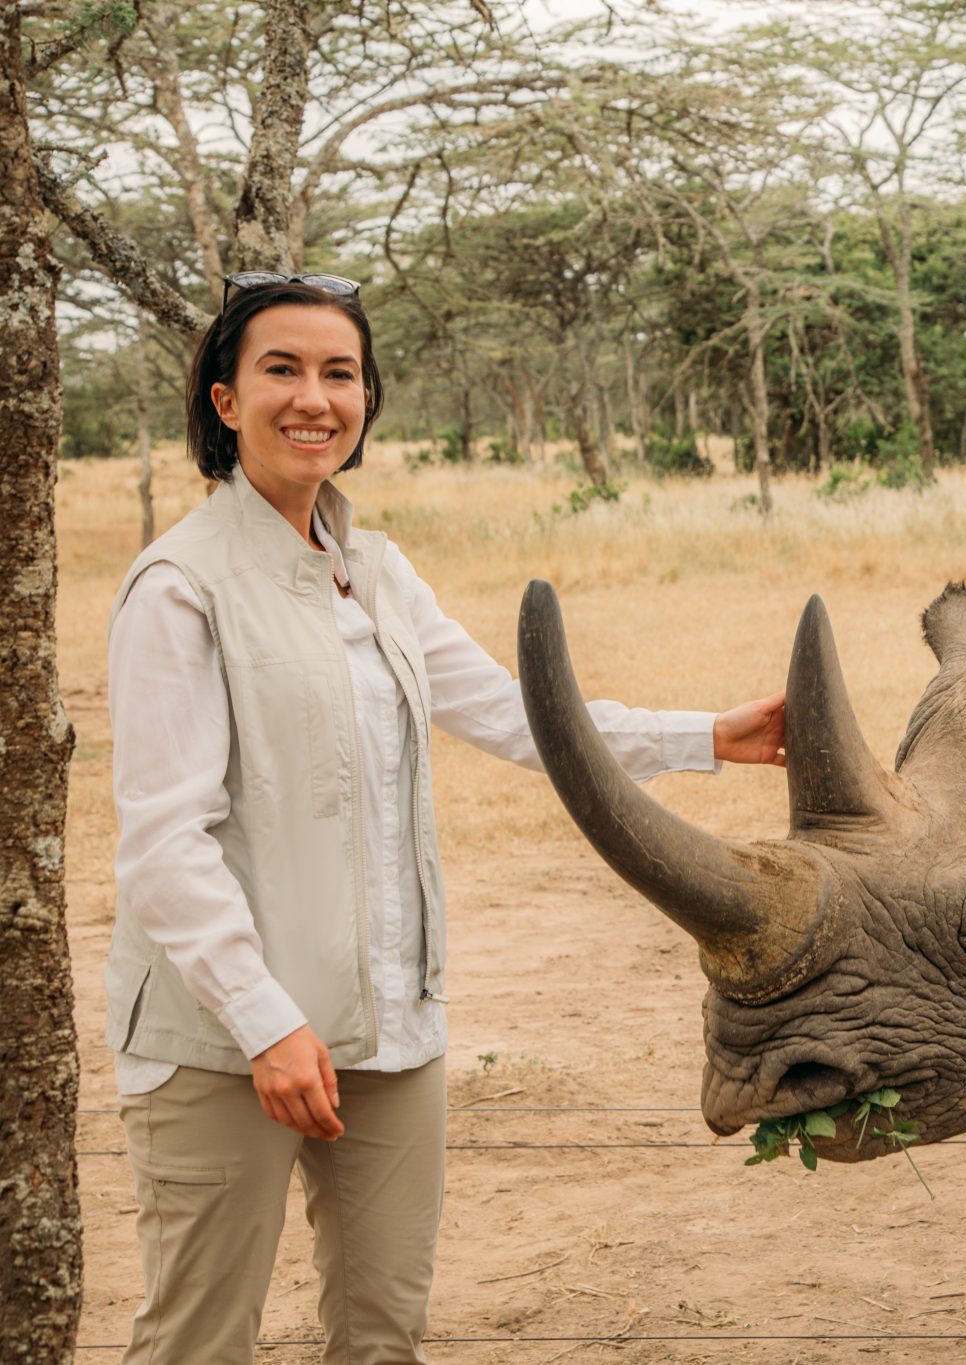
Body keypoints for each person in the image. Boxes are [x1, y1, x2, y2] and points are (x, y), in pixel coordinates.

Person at [104, 272, 786, 1364]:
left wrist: (709, 737)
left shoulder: (376, 572)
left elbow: (520, 719)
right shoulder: (178, 586)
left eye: (340, 373)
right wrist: (265, 1021)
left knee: (384, 1336)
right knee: (197, 1343)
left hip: (391, 1028)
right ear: (224, 401)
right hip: (224, 1041)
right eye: (280, 369)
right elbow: (163, 843)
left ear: (367, 399)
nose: (313, 397)